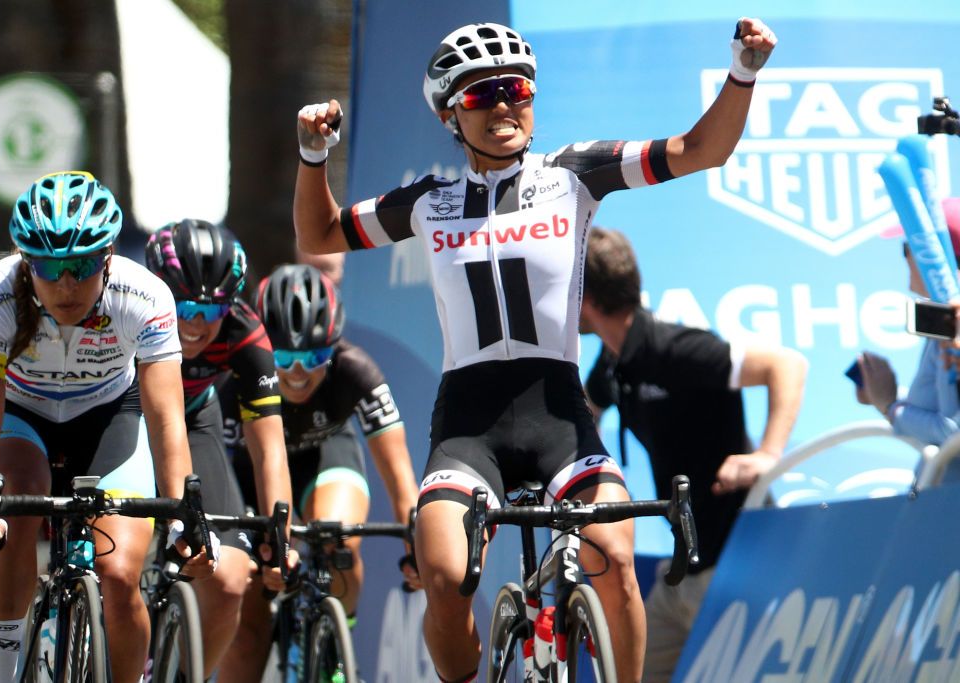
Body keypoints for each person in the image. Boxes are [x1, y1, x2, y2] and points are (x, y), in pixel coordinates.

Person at [293, 17, 778, 683]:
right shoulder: (430, 203)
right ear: (448, 116)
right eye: (477, 95)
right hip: (469, 426)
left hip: (558, 417)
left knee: (613, 555)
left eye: (515, 89)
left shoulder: (573, 173)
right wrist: (314, 156)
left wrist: (742, 72)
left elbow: (702, 149)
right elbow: (318, 232)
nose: (501, 105)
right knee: (442, 574)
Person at [0, 171, 213, 683]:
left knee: (118, 575)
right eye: (49, 267)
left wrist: (184, 510)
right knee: (10, 517)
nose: (66, 283)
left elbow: (165, 417)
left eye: (82, 264)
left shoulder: (145, 296)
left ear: (109, 256)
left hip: (109, 420)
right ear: (26, 263)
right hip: (22, 419)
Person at [579, 227, 808, 682]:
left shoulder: (673, 348)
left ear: (582, 298)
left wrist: (767, 454)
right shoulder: (614, 360)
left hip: (736, 566)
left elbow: (787, 364)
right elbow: (585, 414)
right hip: (683, 571)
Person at [217, 263, 420, 682]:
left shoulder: (356, 371)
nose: (297, 372)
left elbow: (401, 481)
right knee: (246, 635)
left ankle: (334, 645)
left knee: (340, 536)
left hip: (325, 457)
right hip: (249, 475)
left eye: (314, 357)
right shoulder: (235, 383)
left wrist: (420, 547)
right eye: (285, 357)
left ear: (335, 345)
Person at [144, 219, 292, 676]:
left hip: (192, 418)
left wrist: (280, 536)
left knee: (230, 580)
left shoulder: (244, 332)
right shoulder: (127, 309)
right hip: (123, 415)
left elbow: (268, 448)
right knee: (119, 558)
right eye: (182, 306)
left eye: (211, 312)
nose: (194, 324)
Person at [856, 198, 960, 447]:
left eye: (907, 247)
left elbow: (952, 432)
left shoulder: (952, 323)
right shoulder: (945, 316)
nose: (904, 257)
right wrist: (881, 394)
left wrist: (890, 407)